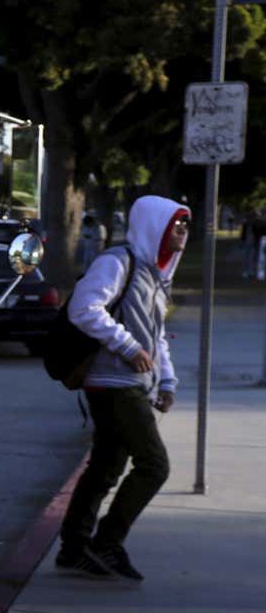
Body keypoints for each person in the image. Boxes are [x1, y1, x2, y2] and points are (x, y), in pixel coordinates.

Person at [56, 195, 190, 581]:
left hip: (133, 384)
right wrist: (128, 347)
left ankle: (74, 548)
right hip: (112, 383)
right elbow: (84, 308)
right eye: (176, 225)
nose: (182, 232)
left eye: (185, 226)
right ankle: (106, 544)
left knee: (105, 468)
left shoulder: (154, 274)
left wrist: (166, 380)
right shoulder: (118, 262)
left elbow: (157, 335)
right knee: (155, 465)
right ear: (156, 226)